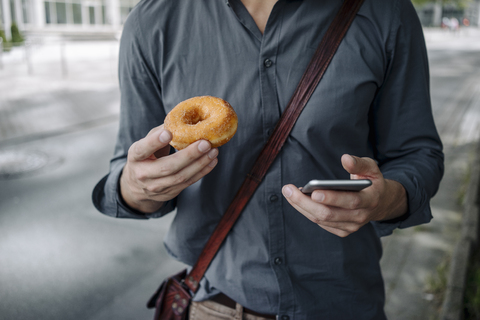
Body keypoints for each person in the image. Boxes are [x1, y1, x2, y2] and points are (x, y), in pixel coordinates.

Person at [92, 0, 444, 319]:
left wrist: (386, 200)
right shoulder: (152, 21)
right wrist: (138, 186)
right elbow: (129, 171)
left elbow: (418, 154)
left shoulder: (385, 12)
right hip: (215, 303)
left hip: (343, 304)